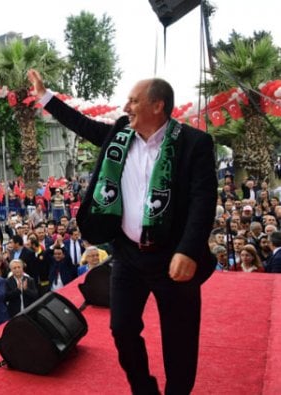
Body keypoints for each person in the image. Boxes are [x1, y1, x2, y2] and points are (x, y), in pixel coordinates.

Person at [29, 69, 217, 394]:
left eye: (133, 100)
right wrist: (45, 96)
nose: (126, 106)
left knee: (180, 340)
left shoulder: (193, 143)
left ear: (157, 105)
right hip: (128, 256)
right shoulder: (120, 134)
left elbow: (204, 199)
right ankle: (144, 389)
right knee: (122, 329)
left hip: (173, 259)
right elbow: (83, 124)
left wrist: (188, 249)